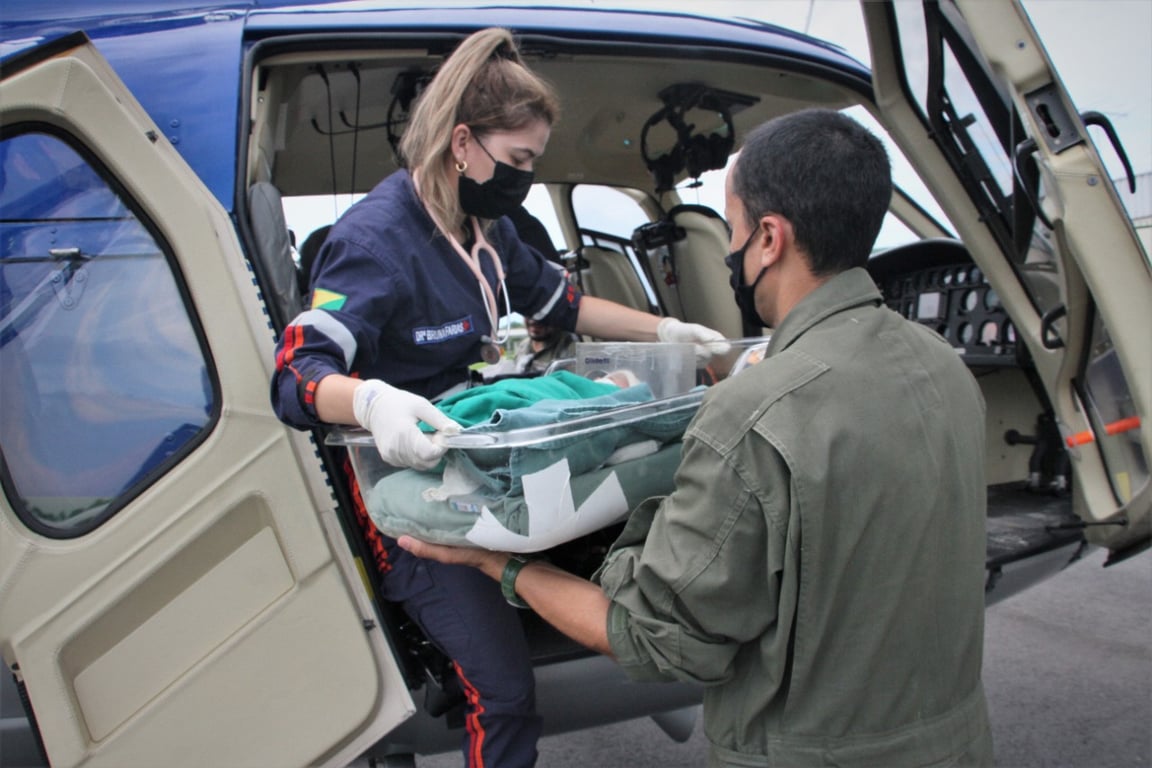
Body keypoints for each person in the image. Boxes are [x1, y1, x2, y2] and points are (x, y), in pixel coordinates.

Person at [398, 108, 994, 767]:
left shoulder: (753, 413)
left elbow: (653, 637)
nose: (732, 252)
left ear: (770, 238)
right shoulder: (942, 364)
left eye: (732, 231)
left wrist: (498, 564)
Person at [269, 27, 725, 768]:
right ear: (461, 145)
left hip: (478, 459)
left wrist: (670, 331)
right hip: (411, 495)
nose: (522, 178)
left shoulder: (487, 228)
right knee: (504, 695)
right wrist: (374, 403)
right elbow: (296, 372)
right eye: (517, 161)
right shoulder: (377, 241)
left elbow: (566, 307)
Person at [513, 317, 578, 373]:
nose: (532, 320)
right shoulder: (522, 347)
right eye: (528, 313)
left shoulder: (571, 345)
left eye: (540, 314)